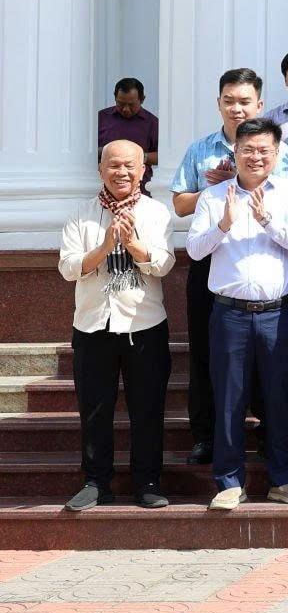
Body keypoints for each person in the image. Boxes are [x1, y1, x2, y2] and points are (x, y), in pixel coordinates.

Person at [185, 118, 288, 511]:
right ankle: (228, 483)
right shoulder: (213, 196)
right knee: (228, 399)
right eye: (248, 150)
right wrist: (223, 223)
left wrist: (266, 220)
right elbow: (195, 250)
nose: (256, 157)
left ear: (276, 154)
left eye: (264, 150)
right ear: (235, 153)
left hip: (278, 314)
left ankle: (283, 479)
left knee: (278, 398)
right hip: (230, 315)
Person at [169, 68, 288, 467]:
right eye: (229, 101)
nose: (236, 108)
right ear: (219, 103)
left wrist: (243, 180)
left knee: (267, 362)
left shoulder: (274, 147)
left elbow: (281, 192)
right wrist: (220, 189)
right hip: (213, 256)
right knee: (208, 353)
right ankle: (206, 436)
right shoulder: (200, 148)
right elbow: (179, 204)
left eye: (245, 101)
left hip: (264, 255)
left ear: (259, 104)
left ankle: (265, 433)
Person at [58, 140, 175, 511]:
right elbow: (68, 267)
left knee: (147, 408)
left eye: (129, 166)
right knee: (95, 409)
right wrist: (106, 245)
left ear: (142, 171)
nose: (121, 172)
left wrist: (134, 246)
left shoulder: (156, 212)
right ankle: (96, 482)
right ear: (100, 170)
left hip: (145, 325)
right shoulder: (81, 214)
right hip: (93, 325)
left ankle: (148, 482)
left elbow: (163, 264)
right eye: (113, 165)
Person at [96, 78, 159, 185]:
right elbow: (84, 150)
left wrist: (140, 156)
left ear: (142, 99)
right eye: (120, 104)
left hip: (138, 186)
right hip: (103, 183)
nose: (126, 109)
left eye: (131, 105)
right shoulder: (101, 118)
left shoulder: (152, 123)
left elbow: (163, 157)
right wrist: (104, 152)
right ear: (115, 97)